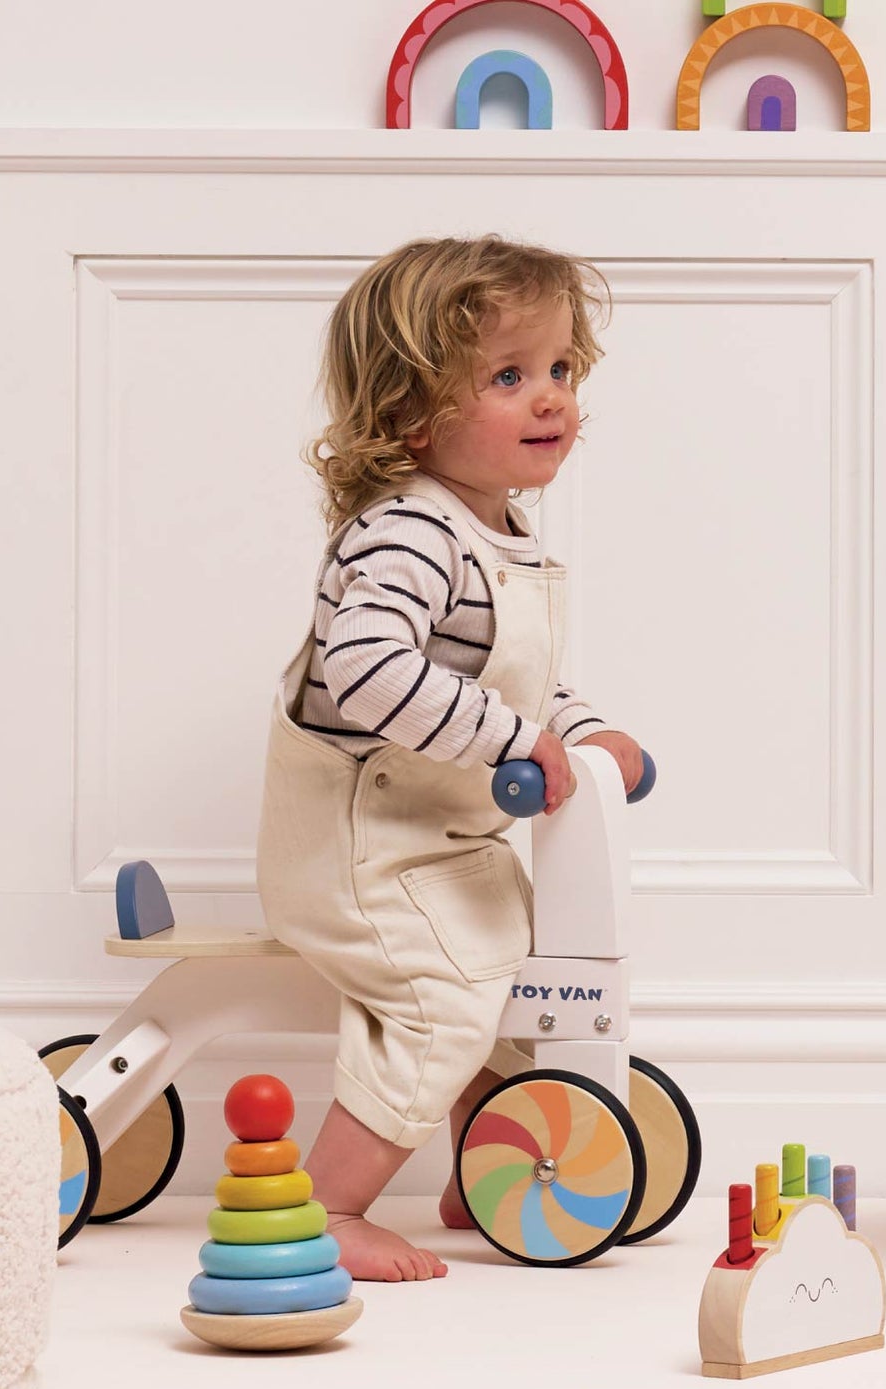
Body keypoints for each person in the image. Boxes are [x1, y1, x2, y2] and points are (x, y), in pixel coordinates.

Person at [256, 235, 644, 1282]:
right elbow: (366, 668)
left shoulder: (493, 530)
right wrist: (520, 741)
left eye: (559, 369)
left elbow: (511, 676)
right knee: (445, 996)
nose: (548, 397)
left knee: (509, 986)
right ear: (407, 414)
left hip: (440, 839)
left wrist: (583, 727)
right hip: (361, 845)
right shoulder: (407, 535)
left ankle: (488, 1160)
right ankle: (323, 1206)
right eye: (507, 377)